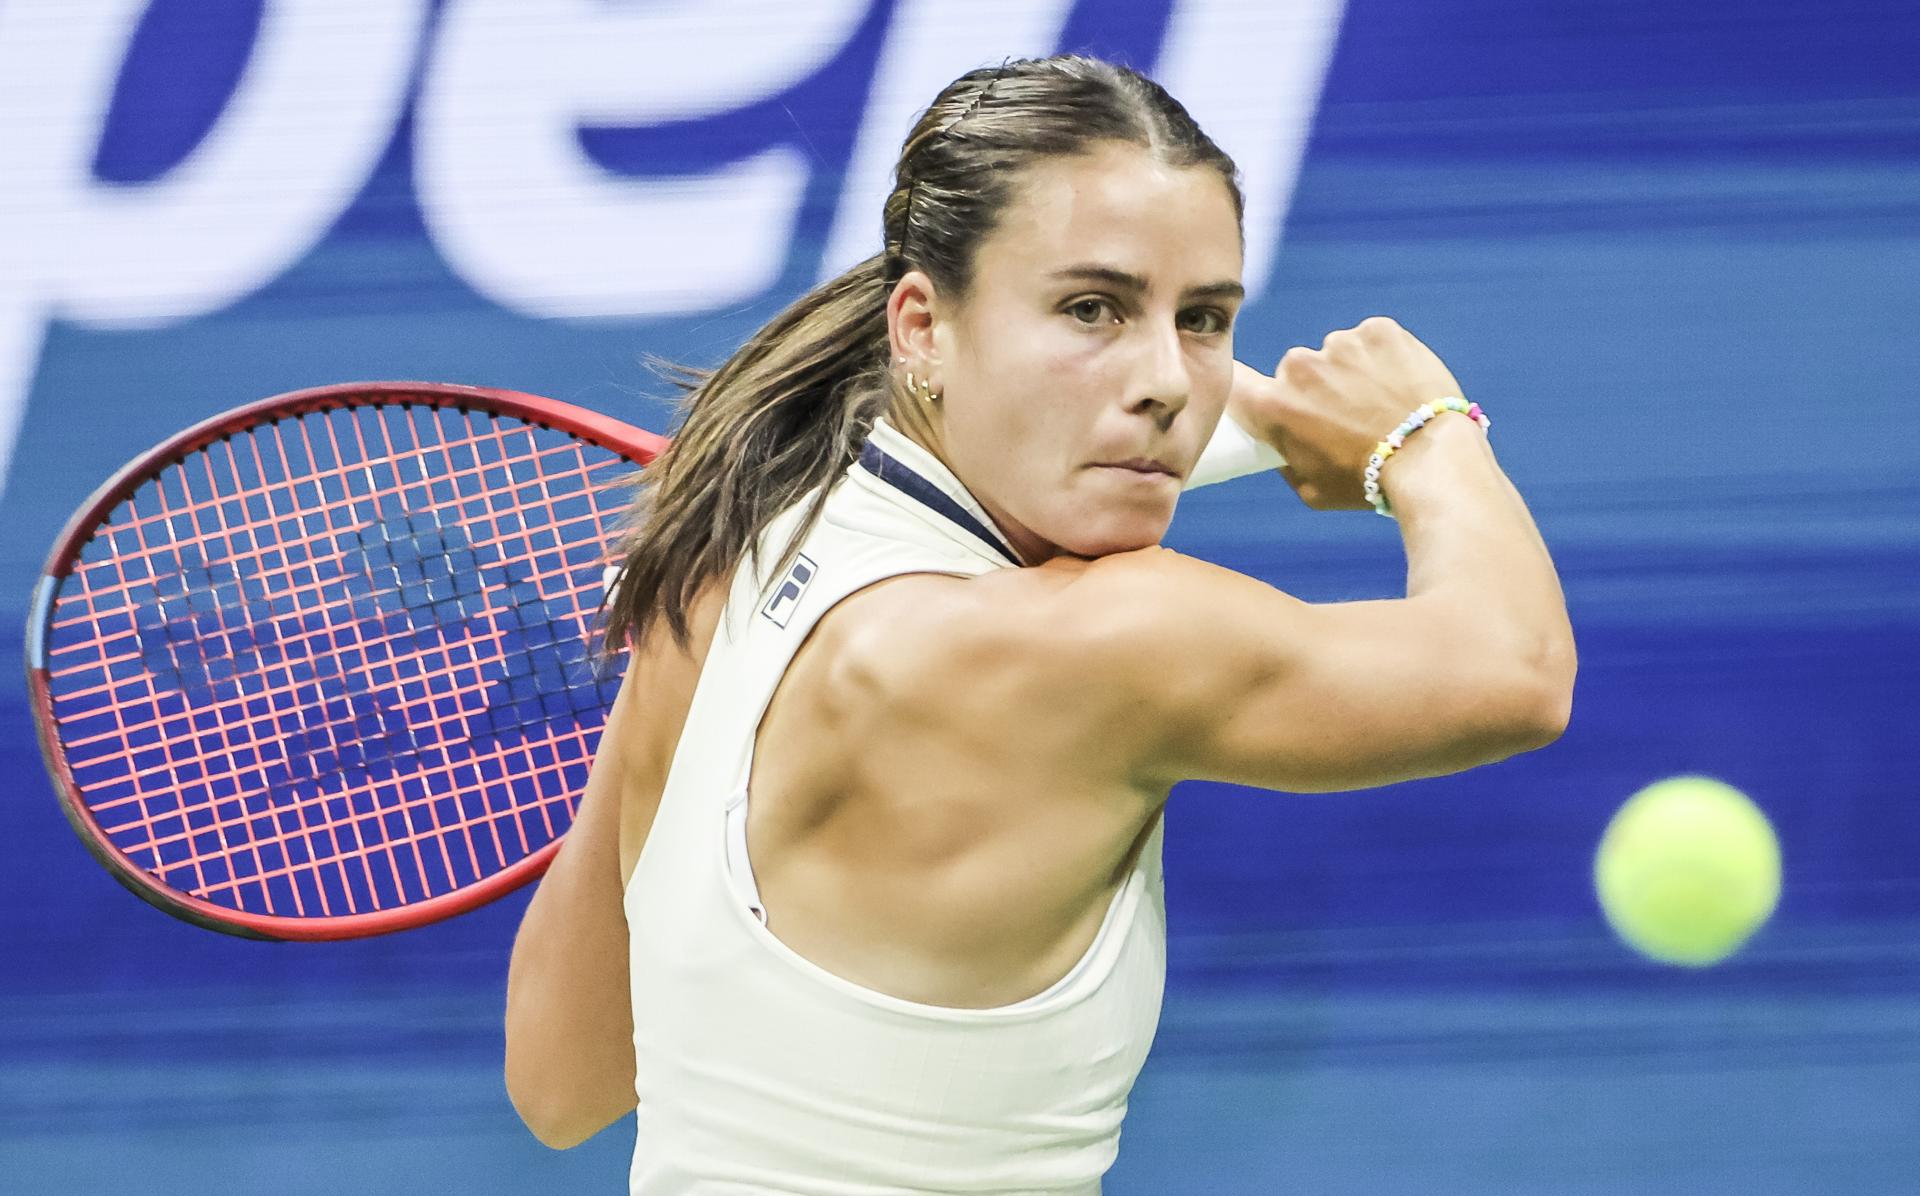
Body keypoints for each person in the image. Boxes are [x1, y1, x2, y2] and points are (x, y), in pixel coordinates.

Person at [504, 54, 1574, 1193]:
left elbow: (565, 1080)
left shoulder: (722, 569)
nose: (1165, 378)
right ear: (920, 323)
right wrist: (1425, 432)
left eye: (1202, 318)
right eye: (1090, 307)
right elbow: (1514, 671)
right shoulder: (1104, 640)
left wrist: (1238, 409)